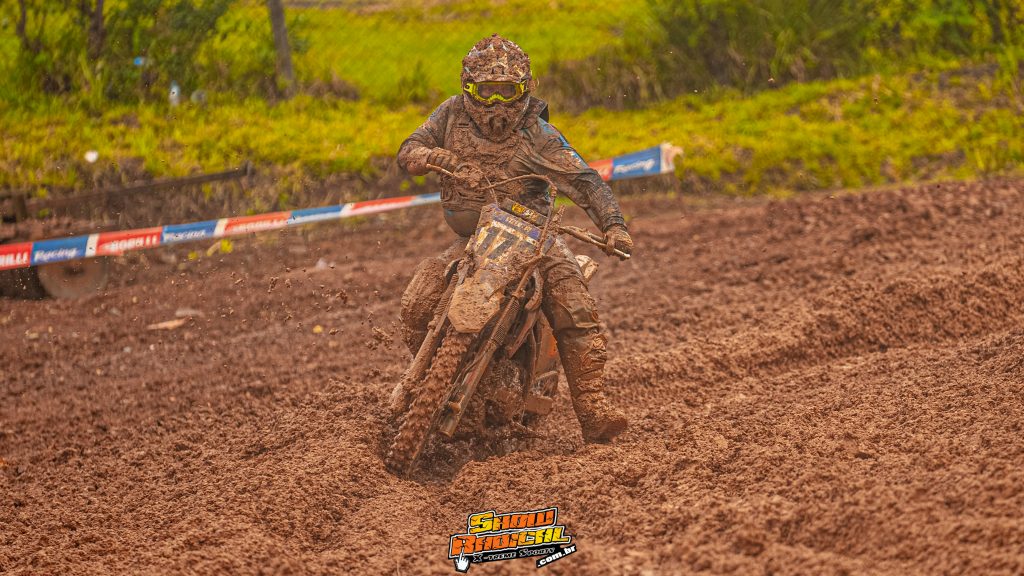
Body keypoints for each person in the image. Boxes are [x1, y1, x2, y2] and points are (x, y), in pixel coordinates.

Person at [395, 34, 632, 442]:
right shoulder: (450, 115)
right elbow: (410, 149)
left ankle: (594, 410)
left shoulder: (539, 134)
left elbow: (587, 182)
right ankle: (431, 383)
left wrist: (614, 226)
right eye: (487, 92)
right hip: (474, 238)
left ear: (524, 91)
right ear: (469, 88)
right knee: (418, 300)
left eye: (507, 93)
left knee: (573, 302)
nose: (497, 104)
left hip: (535, 239)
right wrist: (434, 157)